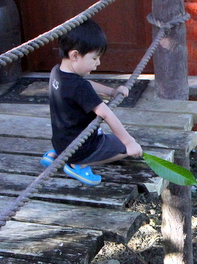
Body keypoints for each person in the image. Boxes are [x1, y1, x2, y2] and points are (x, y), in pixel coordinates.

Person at [40, 19, 143, 185]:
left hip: (61, 142)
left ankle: (58, 155)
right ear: (75, 55)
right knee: (125, 150)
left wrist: (111, 91)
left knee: (96, 138)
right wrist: (129, 142)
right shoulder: (79, 86)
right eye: (95, 58)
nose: (98, 63)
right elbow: (107, 114)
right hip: (81, 149)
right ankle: (77, 165)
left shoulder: (56, 72)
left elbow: (85, 85)